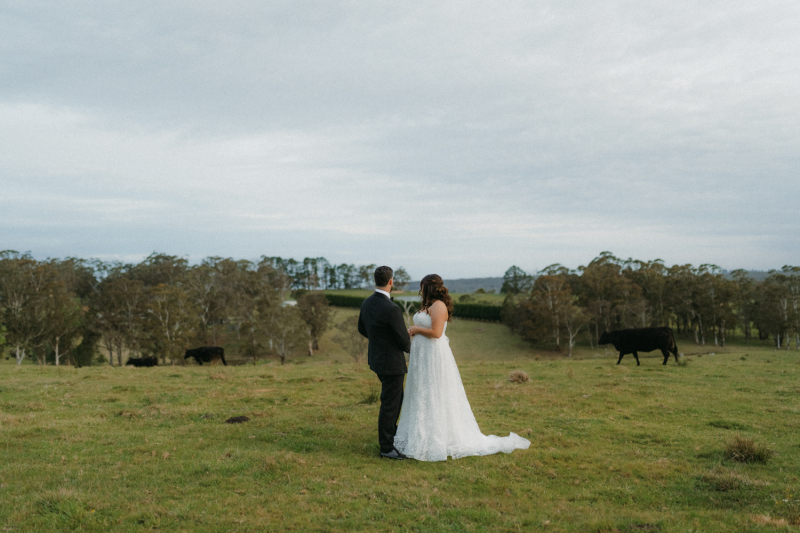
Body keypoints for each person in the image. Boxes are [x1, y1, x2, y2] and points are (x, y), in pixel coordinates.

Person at [394, 274, 531, 461]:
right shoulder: (427, 306)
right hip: (421, 358)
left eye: (422, 287)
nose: (421, 290)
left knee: (435, 392)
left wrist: (416, 330)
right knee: (422, 392)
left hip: (433, 356)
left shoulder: (439, 306)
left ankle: (437, 438)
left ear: (429, 288)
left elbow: (436, 332)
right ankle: (419, 434)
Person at [358, 266, 412, 460]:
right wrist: (415, 350)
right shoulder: (392, 309)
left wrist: (379, 340)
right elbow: (403, 341)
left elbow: (361, 328)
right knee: (390, 404)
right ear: (391, 281)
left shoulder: (367, 303)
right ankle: (387, 447)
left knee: (396, 400)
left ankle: (393, 435)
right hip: (392, 363)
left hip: (377, 359)